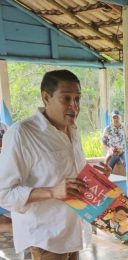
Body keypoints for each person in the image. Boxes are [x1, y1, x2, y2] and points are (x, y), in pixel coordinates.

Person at [0, 70, 110, 260]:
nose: (74, 106)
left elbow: (67, 177)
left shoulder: (73, 131)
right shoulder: (22, 133)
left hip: (72, 232)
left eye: (77, 99)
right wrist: (52, 192)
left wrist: (95, 177)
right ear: (46, 97)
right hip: (45, 239)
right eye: (66, 98)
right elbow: (4, 192)